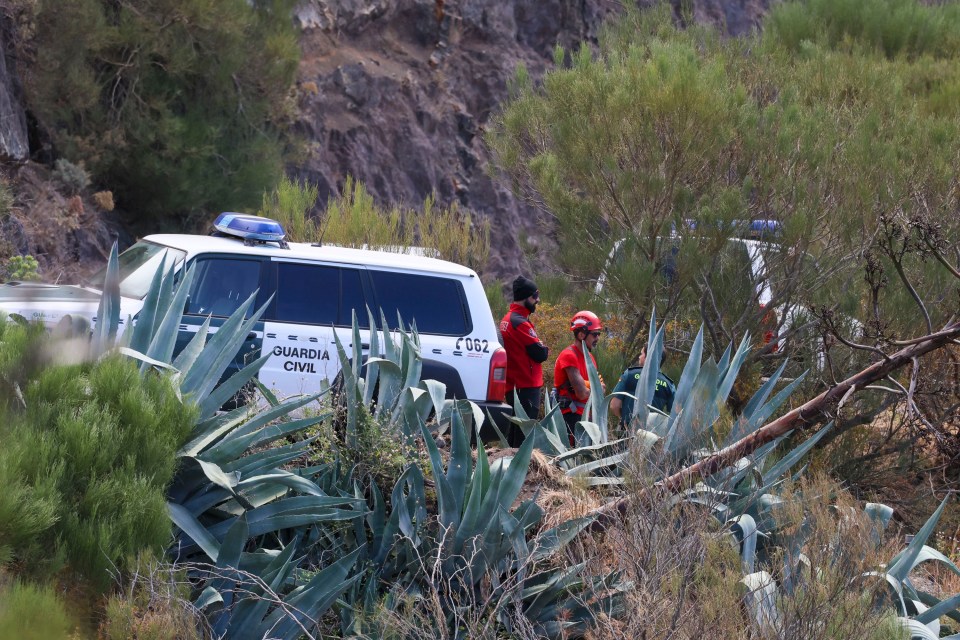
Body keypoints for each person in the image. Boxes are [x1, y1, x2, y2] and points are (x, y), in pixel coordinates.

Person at [500, 276, 549, 445]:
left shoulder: (508, 319)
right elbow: (541, 354)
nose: (537, 300)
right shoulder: (519, 323)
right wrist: (544, 347)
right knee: (523, 439)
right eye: (535, 296)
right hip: (525, 387)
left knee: (514, 435)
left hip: (514, 386)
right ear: (526, 297)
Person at [554, 310, 605, 446]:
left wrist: (593, 387)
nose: (597, 338)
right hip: (570, 417)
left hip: (587, 416)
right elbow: (582, 393)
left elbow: (601, 389)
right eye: (594, 334)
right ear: (581, 334)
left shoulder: (590, 359)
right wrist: (594, 388)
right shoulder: (569, 356)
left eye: (598, 334)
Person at [610, 347, 676, 427]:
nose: (639, 357)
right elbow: (674, 414)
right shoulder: (668, 384)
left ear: (648, 357)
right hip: (652, 435)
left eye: (641, 354)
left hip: (628, 431)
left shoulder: (629, 374)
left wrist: (624, 419)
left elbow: (614, 405)